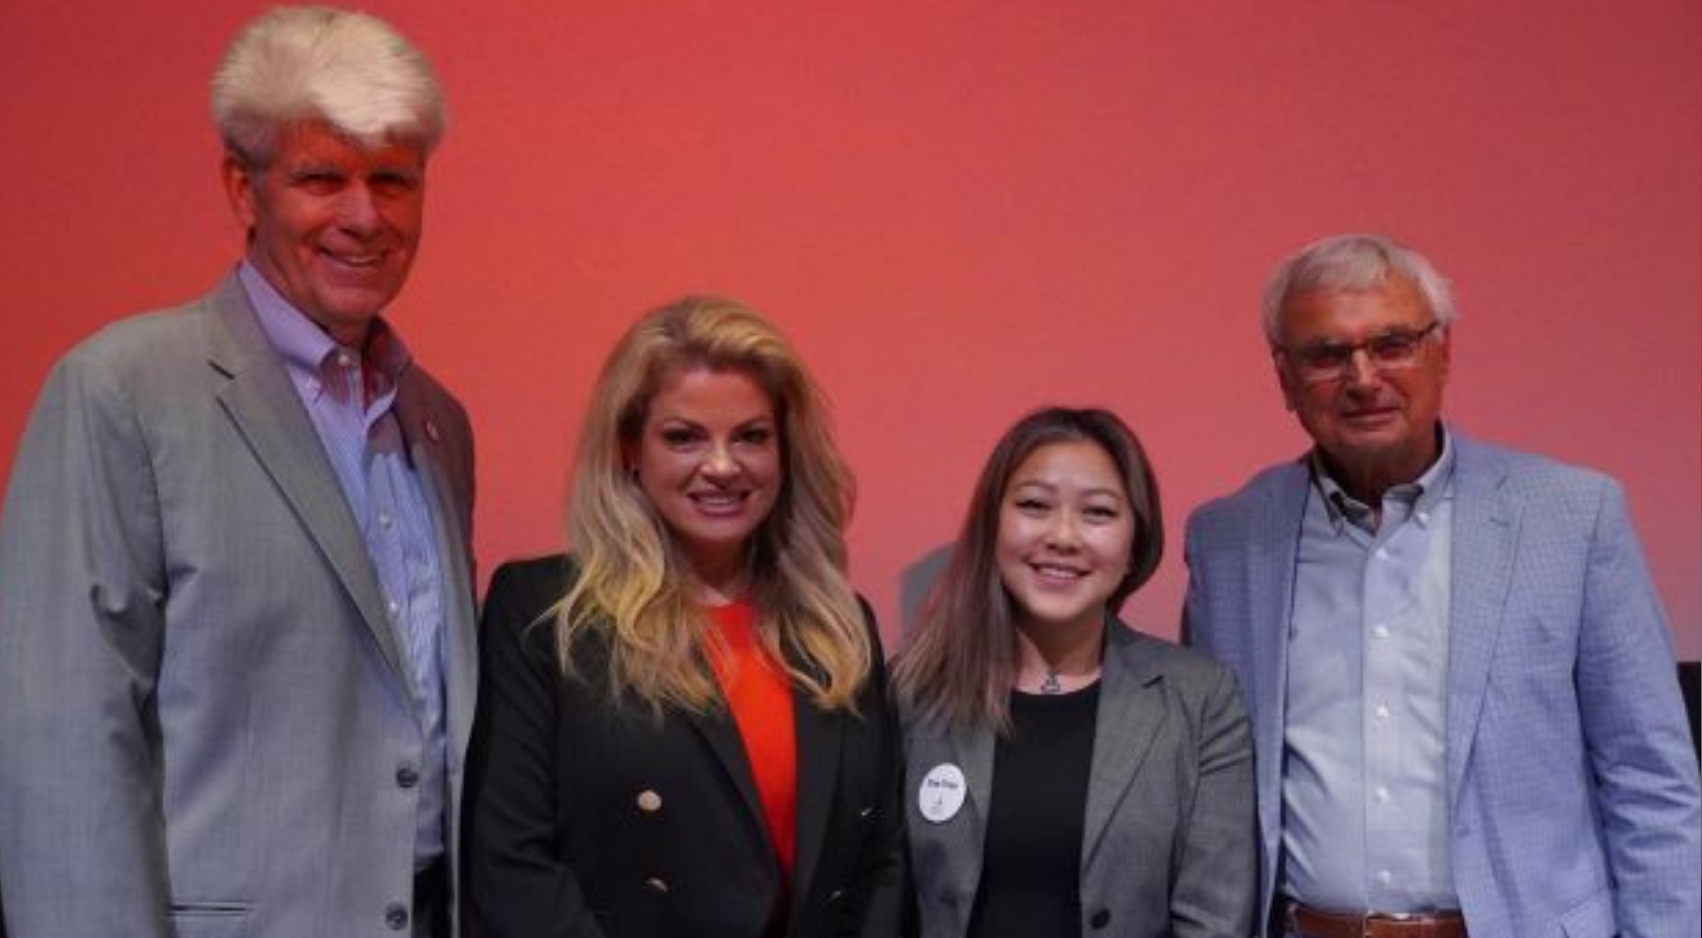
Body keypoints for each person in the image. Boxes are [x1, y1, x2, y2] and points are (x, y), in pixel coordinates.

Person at [0, 8, 474, 937]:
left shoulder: (438, 424)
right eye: (321, 178)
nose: (364, 215)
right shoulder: (121, 391)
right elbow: (65, 745)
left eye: (392, 179)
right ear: (242, 187)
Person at [1183, 233, 1702, 938]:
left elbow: (1653, 784)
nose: (1363, 378)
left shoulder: (1574, 518)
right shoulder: (1228, 542)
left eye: (1393, 343)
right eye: (1327, 355)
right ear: (1284, 376)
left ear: (1444, 350)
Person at [466, 296, 903, 938]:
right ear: (628, 449)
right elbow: (510, 866)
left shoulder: (838, 625)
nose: (722, 466)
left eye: (751, 436)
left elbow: (879, 866)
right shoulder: (542, 613)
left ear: (785, 451)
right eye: (683, 437)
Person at [895, 407, 1256, 938]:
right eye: (1034, 505)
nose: (1063, 536)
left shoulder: (1200, 699)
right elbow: (879, 896)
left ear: (1135, 543)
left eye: (1098, 513)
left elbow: (1215, 917)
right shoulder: (913, 691)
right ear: (992, 524)